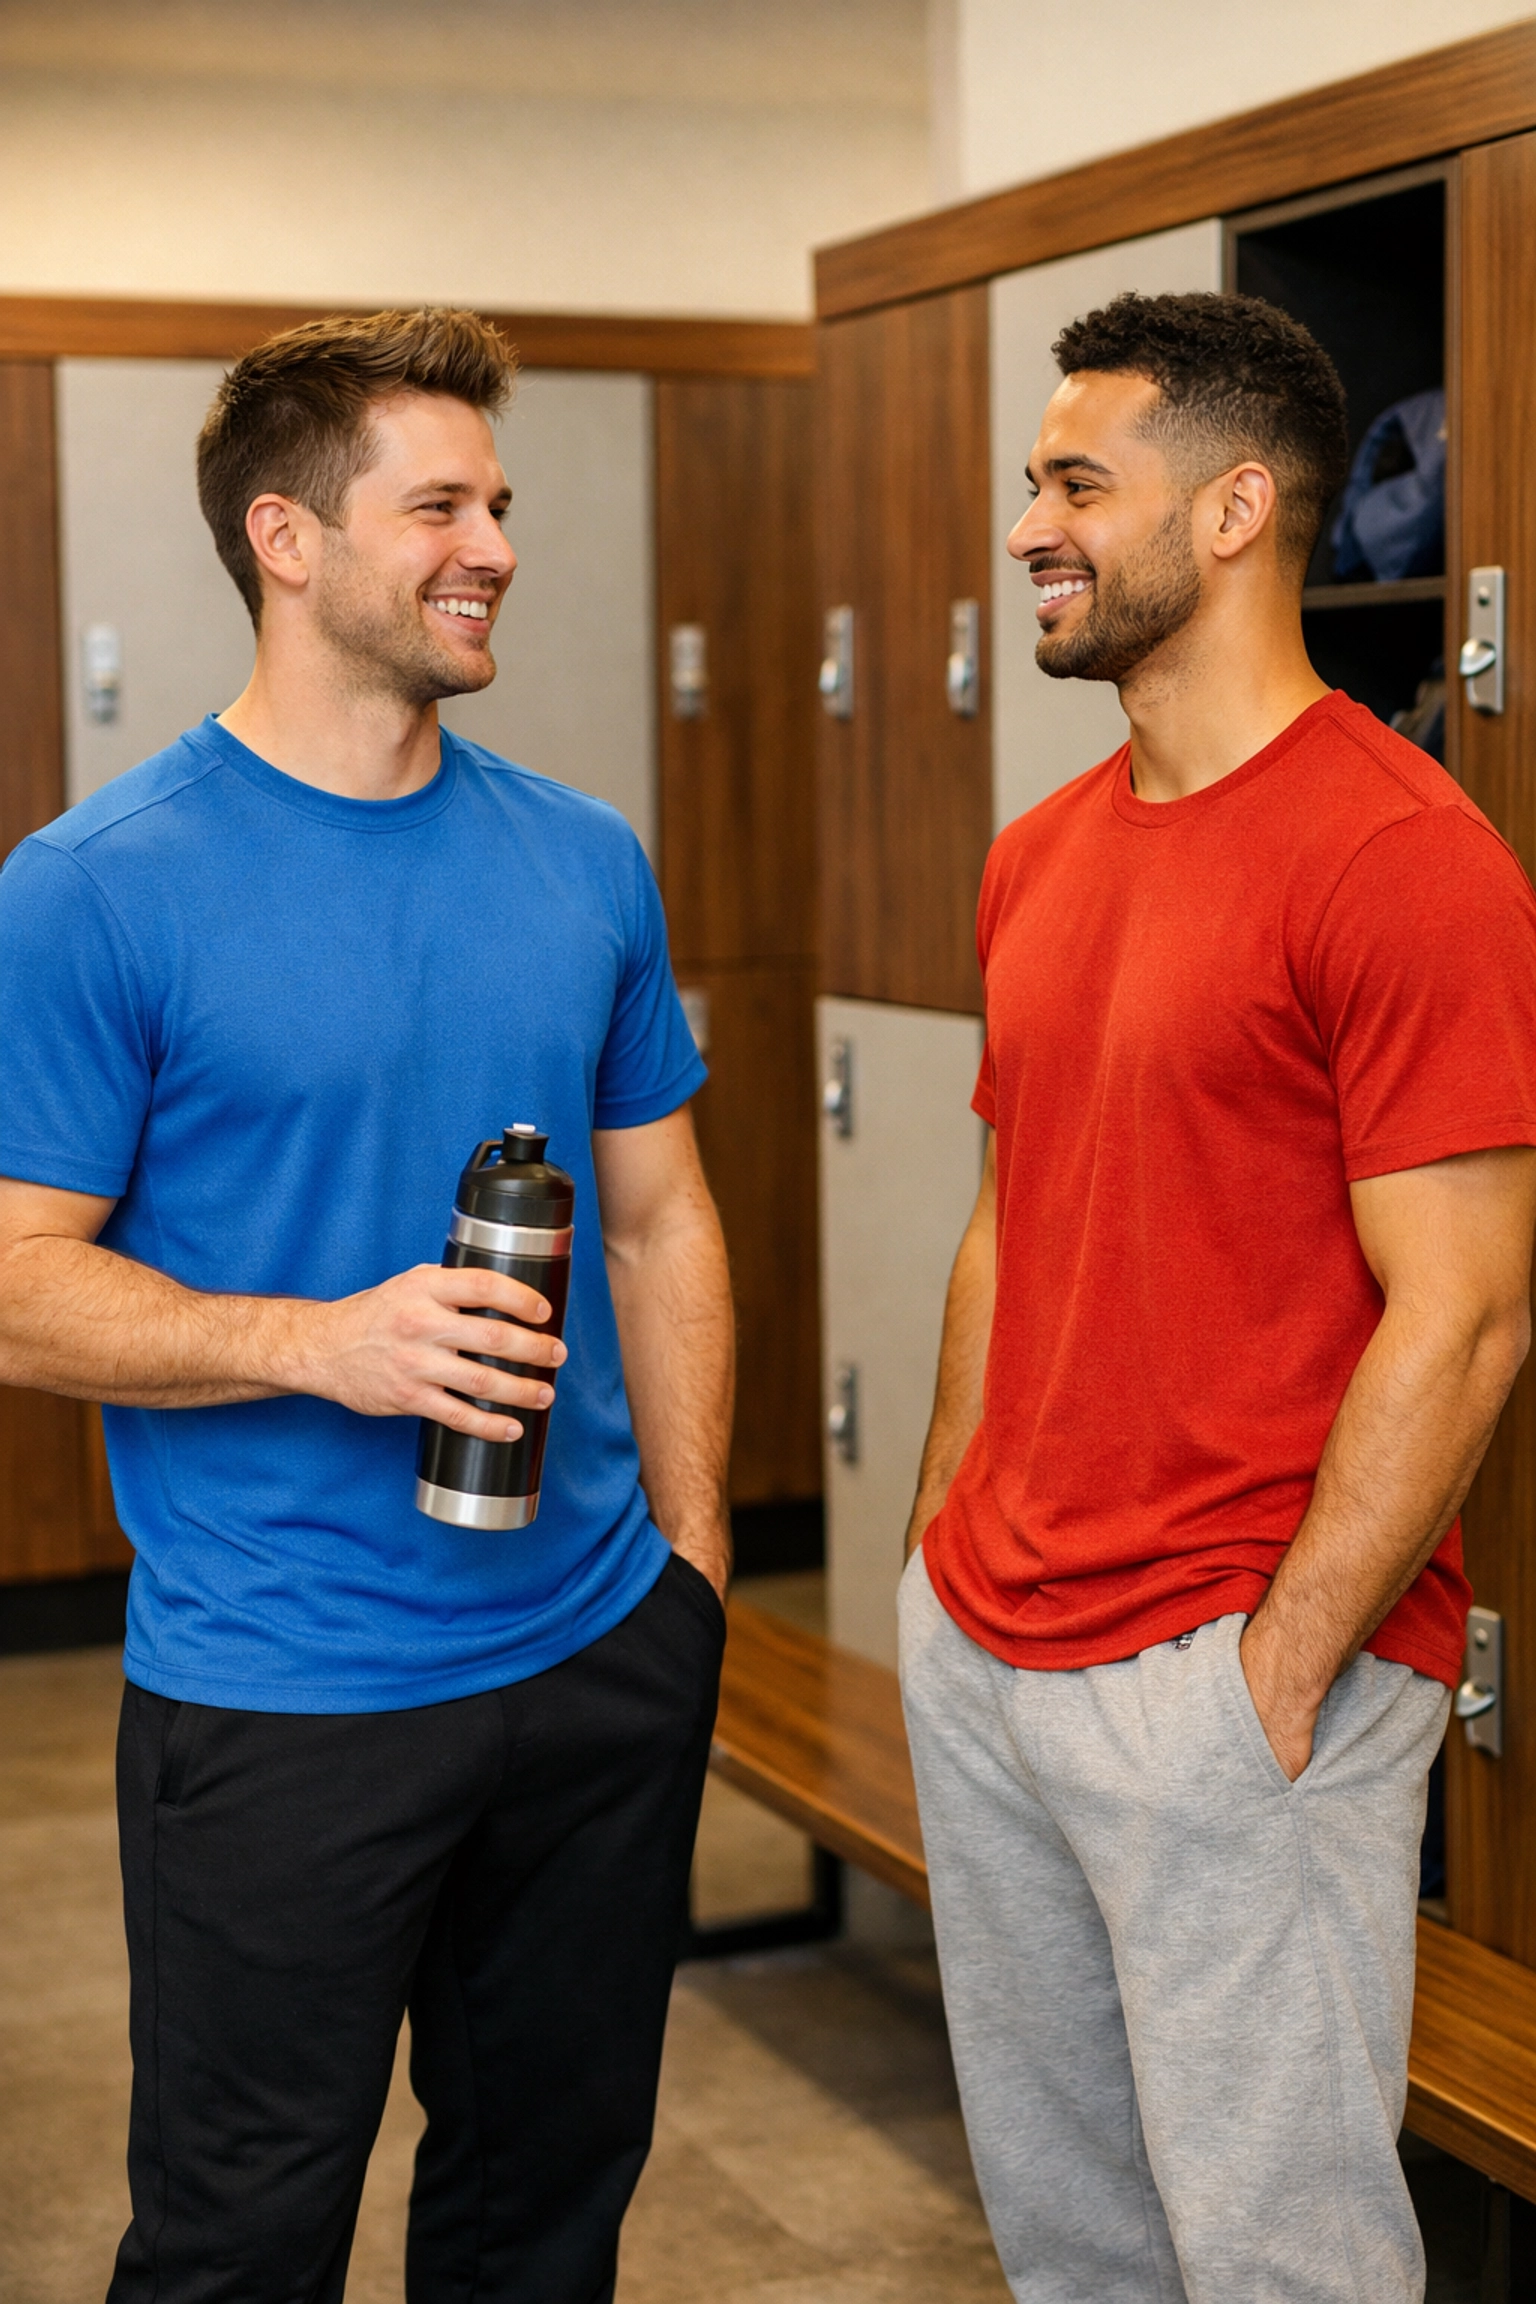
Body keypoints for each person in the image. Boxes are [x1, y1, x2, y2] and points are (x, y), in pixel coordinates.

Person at [0, 307, 734, 2304]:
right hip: (285, 1693)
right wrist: (318, 1341)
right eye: (439, 504)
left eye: (499, 500)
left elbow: (664, 1220)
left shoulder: (583, 859)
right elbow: (15, 1291)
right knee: (243, 2240)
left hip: (595, 1664)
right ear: (288, 539)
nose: (492, 540)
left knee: (545, 2213)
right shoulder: (99, 887)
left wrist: (691, 1559)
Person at [899, 290, 1536, 2303]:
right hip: (997, 1644)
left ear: (1239, 507)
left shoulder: (1398, 857)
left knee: (1280, 2261)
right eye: (1031, 485)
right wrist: (937, 1559)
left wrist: (1281, 1677)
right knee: (1075, 2242)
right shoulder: (1039, 854)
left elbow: (1466, 1315)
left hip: (1229, 1673)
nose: (1029, 530)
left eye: (1080, 484)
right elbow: (1012, 1219)